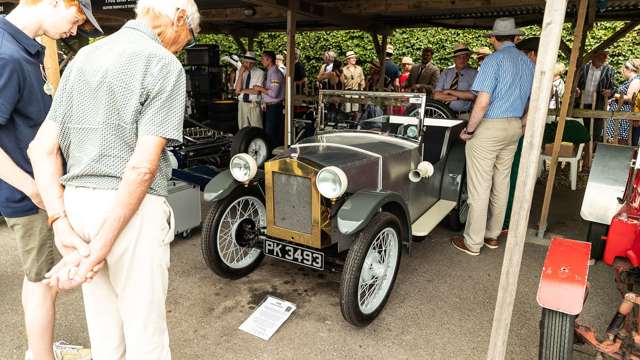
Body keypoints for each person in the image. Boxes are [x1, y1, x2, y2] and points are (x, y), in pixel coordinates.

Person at [27, 0, 199, 358]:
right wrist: (101, 248)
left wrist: (59, 222)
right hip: (130, 209)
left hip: (77, 206)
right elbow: (141, 168)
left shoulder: (82, 59)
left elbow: (41, 149)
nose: (185, 44)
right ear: (180, 18)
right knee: (146, 337)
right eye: (190, 36)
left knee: (105, 335)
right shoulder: (164, 65)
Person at [0, 1, 101, 359]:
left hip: (38, 190)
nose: (75, 31)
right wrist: (32, 187)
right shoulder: (7, 56)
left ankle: (37, 349)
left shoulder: (23, 49)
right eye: (75, 20)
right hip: (30, 195)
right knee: (45, 283)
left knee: (36, 279)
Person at [451, 17, 534, 256]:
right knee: (502, 183)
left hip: (489, 127)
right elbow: (534, 99)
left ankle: (472, 242)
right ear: (516, 38)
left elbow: (482, 102)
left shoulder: (492, 61)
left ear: (493, 38)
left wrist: (470, 130)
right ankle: (492, 236)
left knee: (479, 187)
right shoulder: (527, 63)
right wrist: (522, 124)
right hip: (514, 126)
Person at [576, 50, 616, 142]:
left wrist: (609, 92)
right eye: (602, 56)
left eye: (605, 57)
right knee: (579, 132)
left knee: (595, 134)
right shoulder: (584, 67)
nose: (604, 59)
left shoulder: (609, 70)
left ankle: (591, 154)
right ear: (594, 56)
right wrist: (576, 89)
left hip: (598, 105)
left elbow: (613, 87)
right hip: (580, 105)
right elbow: (575, 83)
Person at [433, 44, 478, 119]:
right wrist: (458, 97)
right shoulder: (446, 73)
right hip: (443, 114)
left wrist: (449, 91)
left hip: (463, 116)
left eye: (465, 57)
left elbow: (472, 95)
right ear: (454, 59)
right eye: (459, 57)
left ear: (468, 58)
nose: (462, 60)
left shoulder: (474, 74)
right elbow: (436, 96)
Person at [254, 50, 285, 147]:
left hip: (274, 107)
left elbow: (274, 93)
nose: (261, 61)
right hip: (270, 107)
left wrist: (260, 88)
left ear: (269, 60)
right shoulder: (270, 72)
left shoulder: (275, 73)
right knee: (269, 133)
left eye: (263, 58)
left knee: (271, 134)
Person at [605, 59, 640, 145]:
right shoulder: (629, 81)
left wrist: (613, 94)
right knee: (612, 139)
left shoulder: (636, 81)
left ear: (629, 69)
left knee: (620, 139)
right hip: (619, 112)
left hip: (624, 114)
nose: (623, 71)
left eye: (624, 68)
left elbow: (629, 97)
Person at [235, 51, 265, 129]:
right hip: (242, 104)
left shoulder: (260, 73)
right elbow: (237, 90)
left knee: (256, 128)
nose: (248, 65)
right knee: (242, 128)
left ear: (254, 63)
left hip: (254, 104)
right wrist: (241, 74)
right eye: (246, 62)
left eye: (251, 63)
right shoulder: (239, 71)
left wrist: (242, 90)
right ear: (243, 62)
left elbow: (256, 91)